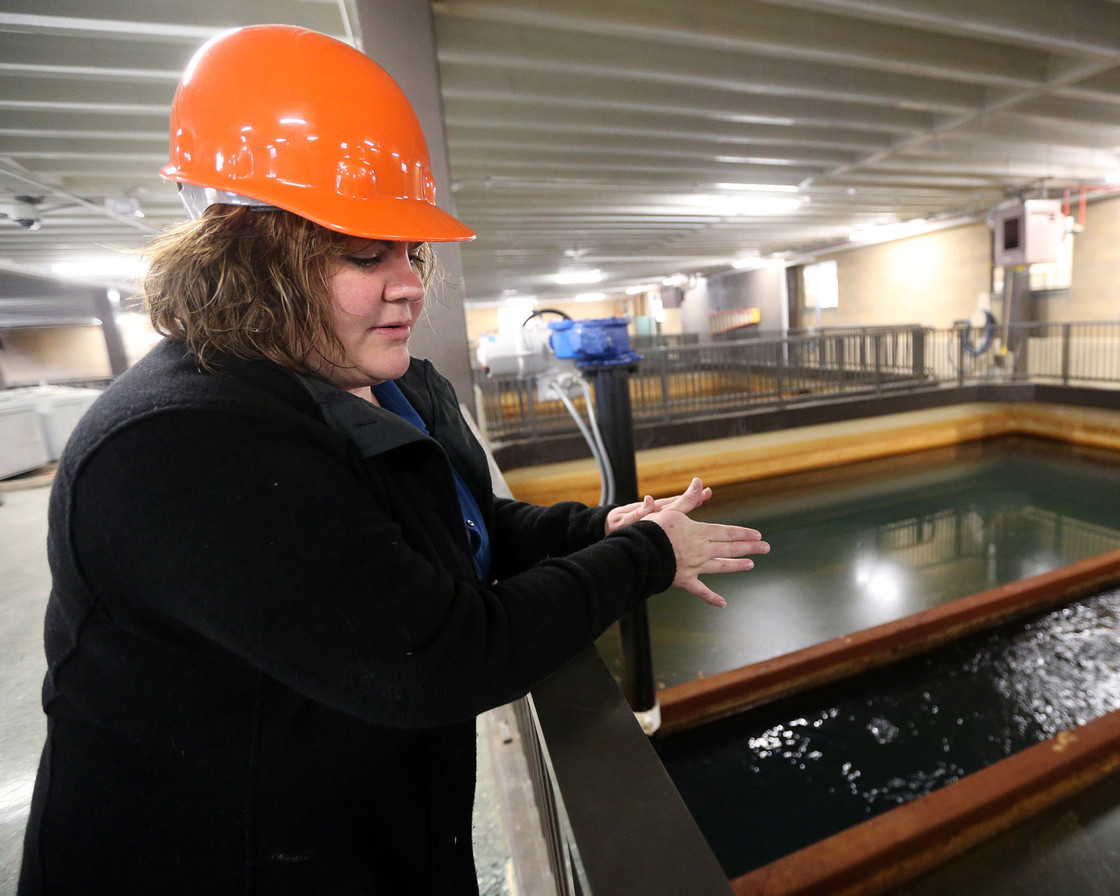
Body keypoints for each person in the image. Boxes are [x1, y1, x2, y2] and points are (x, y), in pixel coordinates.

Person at [18, 25, 768, 895]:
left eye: (408, 251)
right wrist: (643, 558)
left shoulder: (387, 385)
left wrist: (596, 528)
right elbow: (435, 660)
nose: (410, 281)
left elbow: (469, 528)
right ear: (250, 262)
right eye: (363, 254)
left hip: (365, 838)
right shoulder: (185, 443)